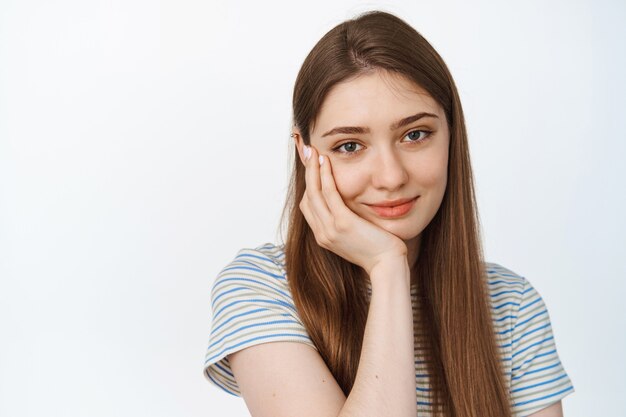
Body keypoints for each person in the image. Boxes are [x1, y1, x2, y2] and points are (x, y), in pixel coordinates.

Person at [202, 10, 575, 417]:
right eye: (349, 145)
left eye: (415, 135)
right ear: (305, 152)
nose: (391, 176)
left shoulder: (511, 306)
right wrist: (387, 267)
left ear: (452, 135)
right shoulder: (261, 287)